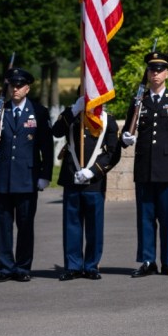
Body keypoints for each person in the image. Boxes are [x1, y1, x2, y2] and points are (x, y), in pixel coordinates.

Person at [120, 51, 168, 278]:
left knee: (167, 217)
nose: (155, 74)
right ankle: (147, 260)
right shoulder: (138, 100)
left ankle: (167, 262)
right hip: (144, 167)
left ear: (167, 73)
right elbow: (128, 130)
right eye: (152, 70)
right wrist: (126, 137)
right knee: (145, 216)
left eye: (160, 70)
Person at [0, 68, 54, 283]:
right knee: (2, 226)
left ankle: (22, 267)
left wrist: (45, 175)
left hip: (27, 178)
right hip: (3, 177)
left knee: (25, 225)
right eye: (12, 85)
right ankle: (4, 267)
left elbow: (46, 147)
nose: (15, 88)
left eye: (20, 85)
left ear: (28, 88)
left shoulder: (38, 112)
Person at [52, 94, 119, 281]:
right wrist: (74, 110)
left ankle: (91, 265)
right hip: (71, 176)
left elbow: (113, 153)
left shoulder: (108, 120)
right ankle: (73, 266)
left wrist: (93, 172)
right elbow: (56, 132)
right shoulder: (71, 115)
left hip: (94, 182)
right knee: (71, 224)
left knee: (94, 226)